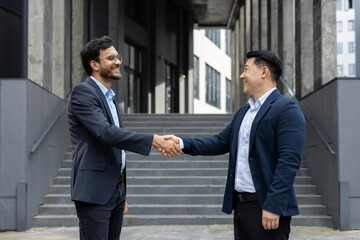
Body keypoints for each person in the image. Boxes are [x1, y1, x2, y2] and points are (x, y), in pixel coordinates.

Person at [163, 50, 306, 239]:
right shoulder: (243, 113)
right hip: (241, 207)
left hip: (266, 207)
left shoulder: (286, 109)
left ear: (264, 72)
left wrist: (273, 205)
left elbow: (288, 161)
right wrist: (181, 142)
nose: (241, 76)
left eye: (246, 69)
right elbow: (220, 142)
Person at [67, 35, 183, 240]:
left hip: (114, 191)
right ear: (94, 64)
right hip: (94, 193)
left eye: (117, 56)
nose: (118, 61)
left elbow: (117, 146)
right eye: (111, 58)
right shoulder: (83, 92)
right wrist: (154, 139)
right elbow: (105, 133)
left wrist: (119, 192)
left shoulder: (110, 98)